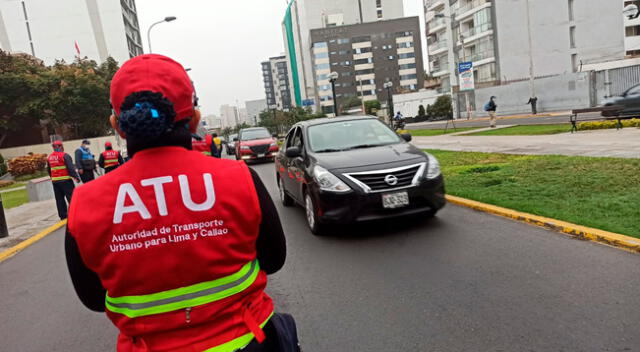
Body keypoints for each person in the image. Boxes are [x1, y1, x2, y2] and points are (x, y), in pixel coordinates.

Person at [65, 54, 297, 352]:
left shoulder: (85, 202)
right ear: (195, 120)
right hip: (250, 340)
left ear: (118, 126)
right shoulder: (240, 177)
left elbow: (94, 299)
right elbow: (273, 261)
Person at [46, 140, 80, 220]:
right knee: (71, 197)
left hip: (55, 182)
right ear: (60, 146)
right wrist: (76, 177)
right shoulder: (64, 155)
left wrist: (52, 178)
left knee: (59, 199)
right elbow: (70, 168)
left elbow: (49, 169)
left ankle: (63, 215)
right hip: (65, 180)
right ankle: (74, 213)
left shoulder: (50, 157)